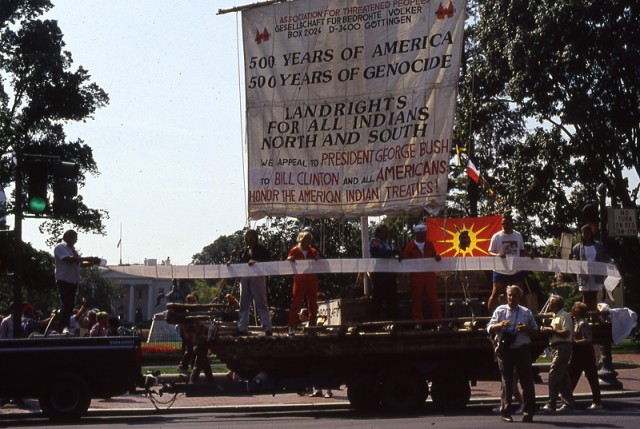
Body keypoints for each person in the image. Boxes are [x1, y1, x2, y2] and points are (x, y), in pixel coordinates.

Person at [487, 285, 538, 423]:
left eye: (514, 295)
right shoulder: (500, 310)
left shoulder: (526, 312)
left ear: (519, 297)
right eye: (509, 295)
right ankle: (506, 412)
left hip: (522, 349)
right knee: (507, 382)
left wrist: (526, 328)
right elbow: (489, 328)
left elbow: (535, 330)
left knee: (527, 382)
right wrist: (500, 325)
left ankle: (528, 412)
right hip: (505, 350)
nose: (511, 298)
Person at [228, 229, 272, 336]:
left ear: (256, 238)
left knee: (260, 302)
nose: (250, 239)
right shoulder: (243, 251)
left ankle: (267, 327)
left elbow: (268, 260)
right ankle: (242, 328)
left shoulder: (262, 249)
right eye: (248, 236)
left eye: (252, 236)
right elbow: (239, 262)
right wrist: (231, 264)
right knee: (243, 303)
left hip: (257, 276)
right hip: (245, 277)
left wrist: (257, 262)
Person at [54, 230, 100, 329]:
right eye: (73, 237)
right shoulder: (60, 247)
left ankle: (65, 325)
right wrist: (86, 258)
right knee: (66, 303)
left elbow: (79, 263)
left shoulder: (72, 250)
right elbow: (69, 259)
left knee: (70, 305)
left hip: (73, 280)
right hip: (63, 279)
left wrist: (92, 262)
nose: (75, 240)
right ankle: (62, 326)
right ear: (66, 237)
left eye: (76, 238)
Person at [541, 294, 577, 413]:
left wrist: (551, 330)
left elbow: (567, 333)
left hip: (563, 347)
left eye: (551, 303)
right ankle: (569, 403)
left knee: (553, 375)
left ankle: (551, 403)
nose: (549, 304)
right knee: (563, 377)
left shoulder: (564, 315)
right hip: (556, 348)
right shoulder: (555, 316)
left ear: (556, 304)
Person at [402, 223, 442, 326]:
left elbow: (434, 254)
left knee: (433, 298)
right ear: (416, 234)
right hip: (416, 276)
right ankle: (417, 322)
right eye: (421, 233)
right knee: (416, 298)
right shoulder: (410, 246)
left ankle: (438, 322)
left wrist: (437, 256)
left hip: (429, 275)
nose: (423, 235)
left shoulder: (429, 244)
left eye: (424, 233)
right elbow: (404, 258)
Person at [488, 215, 527, 312]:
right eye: (503, 224)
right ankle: (492, 317)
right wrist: (497, 255)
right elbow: (489, 252)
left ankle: (524, 316)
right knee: (496, 293)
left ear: (512, 224)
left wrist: (529, 256)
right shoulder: (496, 236)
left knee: (520, 293)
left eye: (507, 223)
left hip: (515, 270)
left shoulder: (518, 235)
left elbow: (522, 251)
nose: (505, 225)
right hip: (500, 270)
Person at [287, 231, 321, 336]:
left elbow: (318, 259)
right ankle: (292, 327)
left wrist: (318, 258)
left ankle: (312, 327)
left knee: (313, 305)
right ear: (299, 239)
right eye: (305, 238)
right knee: (296, 304)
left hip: (312, 280)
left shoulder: (313, 251)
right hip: (299, 280)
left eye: (309, 238)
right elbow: (288, 259)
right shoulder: (294, 250)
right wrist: (289, 259)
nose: (307, 240)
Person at [569, 302, 602, 410]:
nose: (572, 309)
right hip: (580, 355)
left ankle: (597, 402)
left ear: (578, 311)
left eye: (574, 308)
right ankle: (568, 400)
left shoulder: (582, 323)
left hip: (585, 355)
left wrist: (574, 342)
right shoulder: (576, 321)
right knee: (573, 377)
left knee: (591, 379)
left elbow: (588, 339)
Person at [572, 224, 611, 311]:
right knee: (586, 297)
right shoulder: (577, 247)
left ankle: (594, 317)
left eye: (588, 233)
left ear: (591, 234)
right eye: (584, 233)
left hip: (596, 275)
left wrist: (612, 261)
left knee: (594, 297)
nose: (586, 235)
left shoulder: (599, 246)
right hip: (584, 276)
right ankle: (585, 316)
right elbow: (574, 259)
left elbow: (605, 257)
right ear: (581, 234)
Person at [369, 224, 401, 320]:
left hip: (389, 274)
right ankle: (375, 322)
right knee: (378, 298)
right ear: (379, 233)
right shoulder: (374, 241)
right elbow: (380, 253)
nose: (387, 234)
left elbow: (389, 256)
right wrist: (394, 252)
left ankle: (393, 321)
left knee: (391, 299)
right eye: (384, 232)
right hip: (379, 274)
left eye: (387, 232)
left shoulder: (387, 243)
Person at [177, 294, 197, 375]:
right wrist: (185, 333)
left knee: (190, 350)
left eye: (193, 301)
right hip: (185, 333)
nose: (192, 303)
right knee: (190, 351)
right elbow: (181, 323)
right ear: (187, 301)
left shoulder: (192, 311)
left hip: (190, 333)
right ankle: (182, 366)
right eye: (191, 301)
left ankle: (190, 367)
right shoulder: (184, 311)